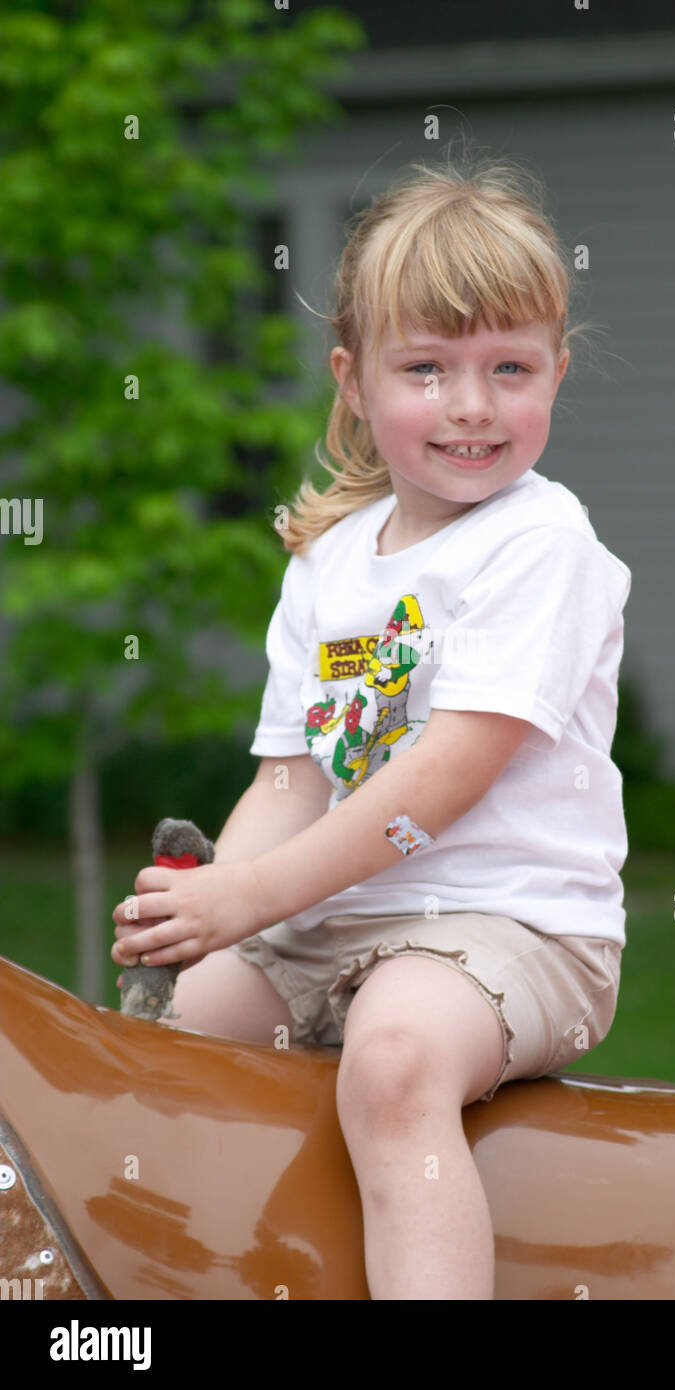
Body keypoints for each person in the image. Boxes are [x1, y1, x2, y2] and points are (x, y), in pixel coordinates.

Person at [111, 148, 632, 1300]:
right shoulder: (330, 566)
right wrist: (205, 908)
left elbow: (449, 775)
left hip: (511, 924)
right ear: (352, 379)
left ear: (557, 370)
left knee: (393, 1062)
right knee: (155, 1053)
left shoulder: (541, 546)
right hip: (341, 919)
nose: (471, 406)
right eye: (427, 368)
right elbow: (292, 784)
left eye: (510, 366)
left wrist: (256, 895)